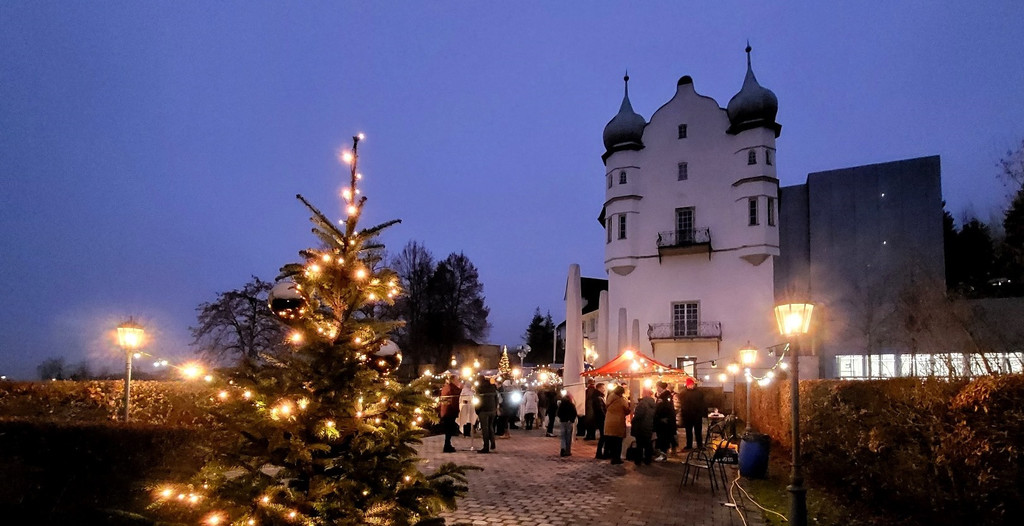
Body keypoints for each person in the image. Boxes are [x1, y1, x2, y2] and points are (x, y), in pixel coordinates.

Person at [679, 376, 707, 450]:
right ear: (687, 385)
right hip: (688, 415)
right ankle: (689, 445)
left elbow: (702, 403)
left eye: (692, 384)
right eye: (689, 385)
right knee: (688, 431)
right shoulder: (683, 393)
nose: (691, 386)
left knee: (698, 431)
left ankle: (699, 445)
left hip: (696, 415)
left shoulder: (698, 392)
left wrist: (703, 413)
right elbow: (682, 404)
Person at [630, 388, 656, 466]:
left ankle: (638, 460)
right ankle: (648, 460)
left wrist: (633, 421)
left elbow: (638, 415)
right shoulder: (653, 403)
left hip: (640, 426)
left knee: (640, 444)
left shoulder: (642, 403)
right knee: (648, 444)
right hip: (649, 425)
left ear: (645, 393)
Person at [603, 385, 628, 464]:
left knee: (611, 441)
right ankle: (616, 458)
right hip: (618, 423)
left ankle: (611, 456)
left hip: (609, 422)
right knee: (618, 442)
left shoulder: (610, 397)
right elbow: (626, 409)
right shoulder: (621, 400)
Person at [475, 375, 498, 453]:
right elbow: (496, 398)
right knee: (490, 427)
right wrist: (495, 408)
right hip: (492, 410)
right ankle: (493, 443)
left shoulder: (479, 388)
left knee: (485, 429)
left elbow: (477, 401)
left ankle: (486, 447)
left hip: (483, 410)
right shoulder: (492, 387)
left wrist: (477, 410)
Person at [439, 375, 462, 453]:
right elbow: (454, 397)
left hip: (447, 411)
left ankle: (448, 444)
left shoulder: (447, 387)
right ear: (453, 380)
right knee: (448, 430)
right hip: (449, 411)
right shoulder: (450, 388)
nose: (458, 381)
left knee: (449, 430)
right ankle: (447, 446)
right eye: (457, 380)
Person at [653, 389, 677, 461]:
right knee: (665, 439)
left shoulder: (663, 405)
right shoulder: (669, 404)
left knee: (662, 439)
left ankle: (663, 455)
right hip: (667, 425)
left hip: (662, 425)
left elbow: (657, 413)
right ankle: (664, 454)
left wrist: (659, 419)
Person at [556, 391, 578, 457]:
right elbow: (574, 413)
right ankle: (568, 451)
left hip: (563, 422)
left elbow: (558, 413)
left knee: (563, 437)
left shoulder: (561, 405)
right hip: (569, 422)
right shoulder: (571, 405)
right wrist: (572, 420)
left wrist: (561, 418)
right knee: (568, 437)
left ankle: (563, 448)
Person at [591, 383, 608, 458]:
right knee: (603, 436)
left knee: (603, 436)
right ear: (599, 388)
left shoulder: (598, 397)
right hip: (601, 420)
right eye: (603, 388)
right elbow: (600, 410)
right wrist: (605, 417)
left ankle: (600, 453)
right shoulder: (598, 398)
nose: (604, 389)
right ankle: (599, 453)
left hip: (599, 419)